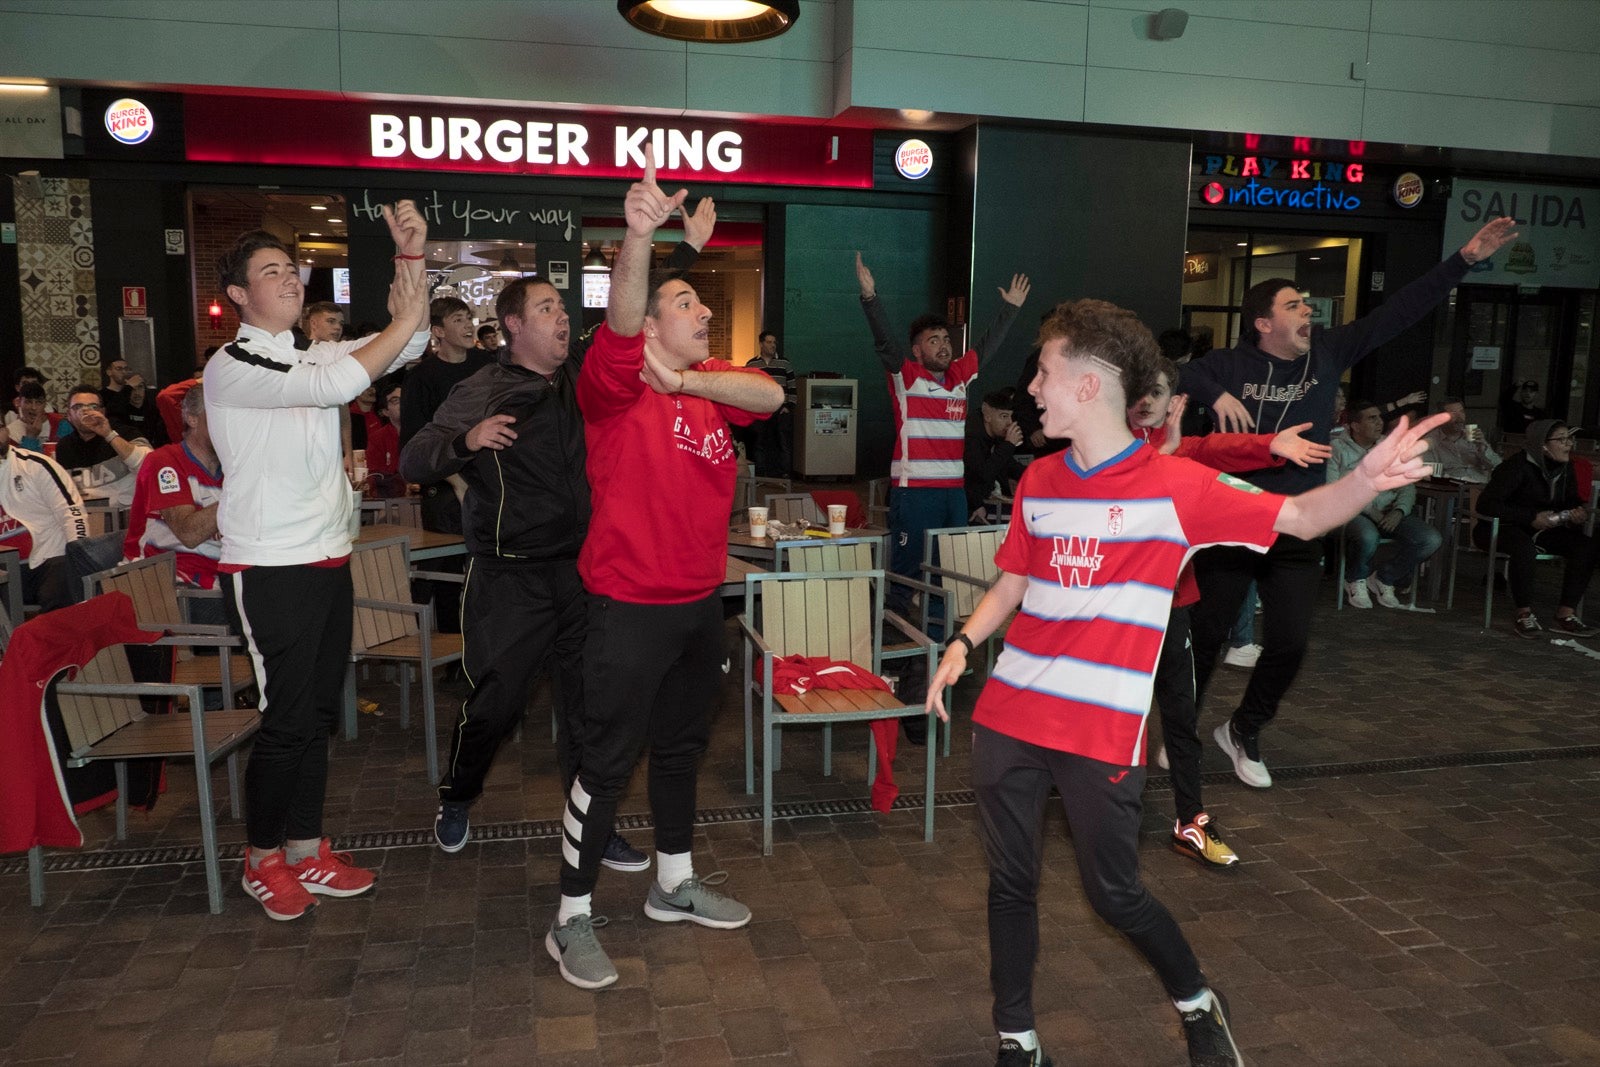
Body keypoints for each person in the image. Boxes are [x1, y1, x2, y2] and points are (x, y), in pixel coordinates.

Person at [926, 296, 1447, 1067]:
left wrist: (1366, 479)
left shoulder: (1174, 487)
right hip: (1009, 716)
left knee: (1114, 894)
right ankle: (1018, 1037)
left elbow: (1300, 518)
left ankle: (1198, 1001)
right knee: (1010, 883)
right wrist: (964, 642)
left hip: (1099, 732)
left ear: (1089, 385)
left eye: (1044, 370)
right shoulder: (1039, 477)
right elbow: (1014, 580)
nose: (1031, 387)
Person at [1177, 216, 1518, 789]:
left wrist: (1463, 260)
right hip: (1232, 524)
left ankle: (1244, 728)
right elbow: (1169, 373)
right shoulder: (1226, 367)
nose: (1308, 311)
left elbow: (1398, 312)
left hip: (1302, 523)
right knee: (1205, 640)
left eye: (1306, 304)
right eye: (1294, 305)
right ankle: (1180, 731)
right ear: (1263, 322)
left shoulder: (1328, 352)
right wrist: (1212, 390)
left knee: (1289, 644)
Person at [547, 161, 781, 991]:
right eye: (687, 305)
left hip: (694, 606)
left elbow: (771, 398)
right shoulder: (611, 389)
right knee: (606, 765)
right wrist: (641, 239)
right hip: (626, 607)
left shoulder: (707, 392)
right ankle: (570, 916)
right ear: (647, 326)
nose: (707, 310)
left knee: (681, 750)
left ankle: (673, 884)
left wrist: (686, 376)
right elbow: (618, 321)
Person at [207, 204, 430, 921]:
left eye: (291, 269)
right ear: (239, 295)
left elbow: (412, 340)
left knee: (316, 716)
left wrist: (411, 260)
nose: (288, 279)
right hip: (270, 565)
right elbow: (339, 386)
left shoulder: (310, 353)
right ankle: (262, 856)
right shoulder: (233, 364)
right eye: (270, 272)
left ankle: (307, 848)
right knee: (285, 719)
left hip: (329, 559)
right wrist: (393, 326)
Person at [401, 275, 649, 872]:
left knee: (591, 710)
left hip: (582, 574)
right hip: (510, 579)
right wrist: (467, 438)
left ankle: (593, 828)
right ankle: (457, 797)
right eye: (547, 308)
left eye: (562, 307)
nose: (562, 317)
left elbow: (627, 325)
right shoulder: (483, 386)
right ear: (514, 325)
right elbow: (414, 456)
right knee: (496, 702)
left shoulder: (579, 380)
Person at [1129, 358, 1329, 869]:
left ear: (1176, 402)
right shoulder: (1109, 450)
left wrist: (1269, 444)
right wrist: (1167, 453)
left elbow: (1219, 448)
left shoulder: (1183, 449)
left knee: (1180, 713)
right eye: (1143, 391)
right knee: (1118, 715)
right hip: (1118, 611)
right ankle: (1113, 809)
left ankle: (1190, 821)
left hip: (1172, 606)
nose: (1151, 401)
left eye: (1161, 393)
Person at [854, 252, 1031, 619]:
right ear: (918, 351)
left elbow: (987, 345)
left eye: (946, 338)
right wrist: (871, 299)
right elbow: (886, 343)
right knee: (905, 575)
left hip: (953, 494)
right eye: (933, 340)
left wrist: (1009, 309)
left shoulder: (960, 377)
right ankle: (894, 654)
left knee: (945, 575)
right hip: (914, 494)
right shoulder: (906, 377)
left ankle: (935, 649)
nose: (944, 344)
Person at [1474, 419, 1598, 639]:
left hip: (1541, 529)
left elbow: (1570, 500)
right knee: (1524, 548)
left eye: (1569, 438)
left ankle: (1565, 615)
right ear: (1542, 445)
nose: (1568, 444)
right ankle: (1523, 613)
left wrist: (1576, 512)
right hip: (1501, 527)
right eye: (1561, 439)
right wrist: (1530, 517)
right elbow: (1487, 504)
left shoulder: (1565, 467)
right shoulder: (1516, 467)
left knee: (1586, 546)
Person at [1328, 400, 1443, 609]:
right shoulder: (1337, 449)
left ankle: (1384, 577)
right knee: (1368, 535)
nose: (1379, 423)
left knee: (1430, 539)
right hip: (1353, 512)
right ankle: (1355, 579)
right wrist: (1371, 511)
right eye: (1371, 419)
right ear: (1354, 425)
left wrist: (1400, 511)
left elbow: (1407, 485)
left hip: (1389, 510)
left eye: (1379, 417)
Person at [0, 421, 89, 613]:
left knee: (63, 579)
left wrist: (78, 557)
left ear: (6, 431)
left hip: (48, 560)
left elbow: (72, 512)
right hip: (5, 572)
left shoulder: (36, 465)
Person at [54, 387, 152, 507]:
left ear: (102, 412)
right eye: (78, 407)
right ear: (69, 415)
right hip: (87, 519)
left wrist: (109, 434)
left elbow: (150, 466)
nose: (86, 411)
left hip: (127, 517)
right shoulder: (64, 446)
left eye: (93, 407)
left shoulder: (127, 434)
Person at [965, 386, 1026, 522]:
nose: (1009, 423)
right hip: (967, 505)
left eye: (1010, 416)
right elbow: (980, 475)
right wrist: (1009, 445)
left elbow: (1008, 464)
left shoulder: (996, 435)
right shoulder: (972, 436)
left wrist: (1036, 475)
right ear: (987, 416)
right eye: (1003, 416)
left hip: (980, 502)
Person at [746, 329, 795, 476]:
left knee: (783, 442)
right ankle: (761, 474)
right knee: (759, 442)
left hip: (781, 410)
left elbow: (792, 386)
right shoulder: (752, 364)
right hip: (760, 411)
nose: (773, 345)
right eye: (769, 342)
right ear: (761, 344)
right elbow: (747, 388)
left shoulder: (784, 363)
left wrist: (788, 406)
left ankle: (784, 475)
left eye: (774, 342)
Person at [1428, 398, 1501, 484]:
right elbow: (1427, 473)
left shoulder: (1475, 437)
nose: (1460, 418)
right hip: (1453, 489)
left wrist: (1483, 448)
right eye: (1453, 413)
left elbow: (1499, 468)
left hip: (1481, 488)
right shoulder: (1431, 440)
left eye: (1461, 412)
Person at [101, 358, 162, 445]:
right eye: (119, 369)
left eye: (126, 369)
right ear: (109, 371)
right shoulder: (119, 405)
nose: (123, 372)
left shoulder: (151, 409)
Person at [6, 382, 64, 453]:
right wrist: (31, 437)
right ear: (19, 403)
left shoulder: (60, 422)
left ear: (45, 404)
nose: (33, 407)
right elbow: (17, 462)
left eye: (39, 402)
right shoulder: (11, 432)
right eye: (28, 402)